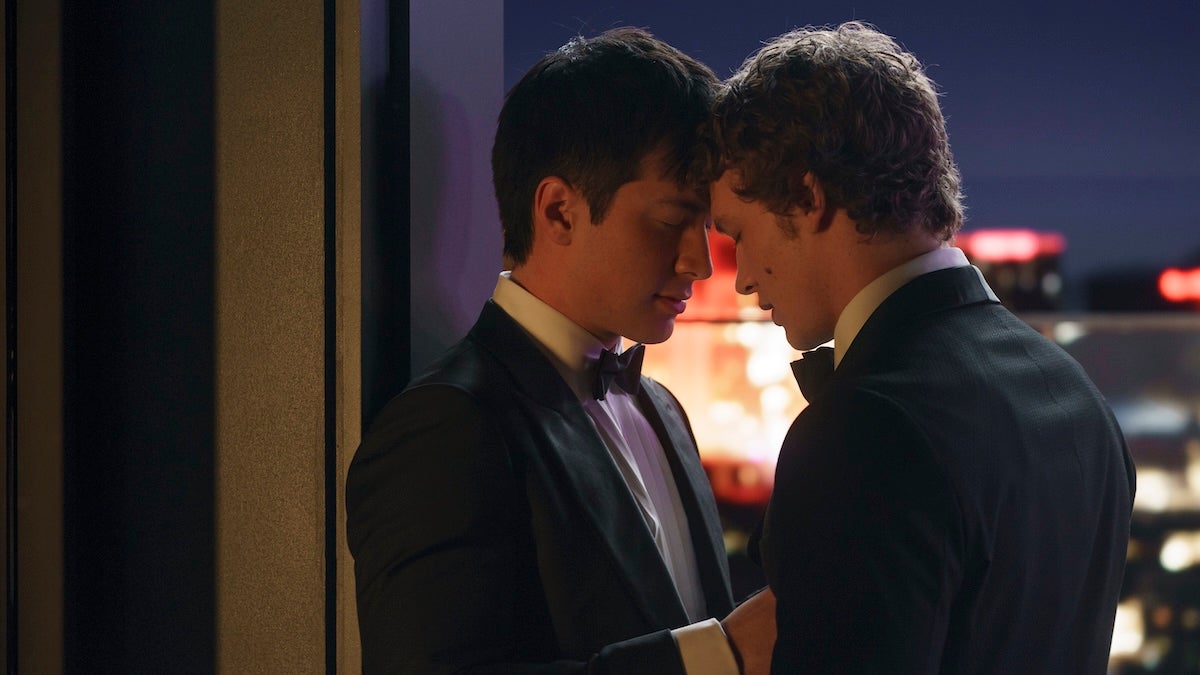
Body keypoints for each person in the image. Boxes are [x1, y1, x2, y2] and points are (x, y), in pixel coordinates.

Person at [709, 22, 1135, 673]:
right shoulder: (1077, 396)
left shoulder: (864, 430)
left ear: (806, 196)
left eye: (739, 232)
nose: (740, 276)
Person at [347, 28, 746, 674]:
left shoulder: (664, 408)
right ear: (559, 210)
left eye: (706, 226)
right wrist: (719, 652)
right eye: (674, 220)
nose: (699, 262)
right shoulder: (443, 428)